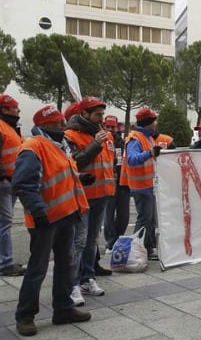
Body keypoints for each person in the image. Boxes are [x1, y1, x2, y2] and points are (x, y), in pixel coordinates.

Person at [13, 105, 92, 336]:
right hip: (45, 220)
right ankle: (25, 316)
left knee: (65, 265)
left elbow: (58, 174)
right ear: (45, 125)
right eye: (58, 122)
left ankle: (63, 309)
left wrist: (80, 177)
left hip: (65, 215)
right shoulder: (33, 147)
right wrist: (39, 213)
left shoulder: (59, 145)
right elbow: (24, 184)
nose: (63, 125)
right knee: (37, 268)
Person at [64, 96, 116, 304]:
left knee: (92, 240)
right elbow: (75, 162)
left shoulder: (105, 134)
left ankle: (87, 278)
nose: (101, 118)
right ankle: (73, 284)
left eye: (102, 114)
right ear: (84, 114)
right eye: (97, 114)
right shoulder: (70, 135)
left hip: (102, 194)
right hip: (83, 195)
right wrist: (95, 144)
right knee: (79, 241)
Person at [120, 107, 162, 260]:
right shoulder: (135, 138)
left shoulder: (147, 137)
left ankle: (147, 248)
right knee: (144, 219)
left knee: (149, 219)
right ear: (147, 123)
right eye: (153, 121)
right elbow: (132, 159)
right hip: (141, 186)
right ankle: (137, 249)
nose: (155, 124)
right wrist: (150, 153)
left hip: (148, 185)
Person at [0, 95, 25, 276]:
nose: (18, 110)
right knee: (4, 222)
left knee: (4, 223)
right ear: (5, 109)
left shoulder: (10, 128)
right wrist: (3, 178)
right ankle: (4, 263)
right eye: (15, 108)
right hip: (4, 183)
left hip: (11, 182)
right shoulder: (2, 127)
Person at [103, 115, 130, 255]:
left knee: (124, 216)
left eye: (112, 127)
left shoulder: (123, 142)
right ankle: (110, 243)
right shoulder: (100, 142)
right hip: (108, 184)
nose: (110, 129)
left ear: (117, 127)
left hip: (123, 184)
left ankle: (117, 239)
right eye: (107, 126)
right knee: (108, 215)